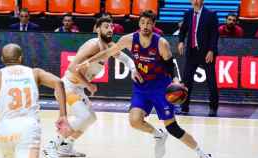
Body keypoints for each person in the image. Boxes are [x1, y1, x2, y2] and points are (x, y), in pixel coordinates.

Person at [83, 10, 212, 158]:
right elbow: (109, 52)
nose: (145, 26)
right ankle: (158, 135)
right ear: (139, 23)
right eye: (143, 23)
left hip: (161, 87)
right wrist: (89, 60)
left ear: (153, 25)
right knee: (134, 121)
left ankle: (201, 153)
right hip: (141, 87)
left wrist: (176, 80)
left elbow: (171, 65)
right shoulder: (128, 39)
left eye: (149, 23)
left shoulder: (161, 43)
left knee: (173, 128)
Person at [43, 16, 136, 157]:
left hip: (78, 89)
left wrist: (133, 70)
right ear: (97, 29)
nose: (110, 29)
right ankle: (53, 144)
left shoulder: (110, 47)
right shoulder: (93, 45)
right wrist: (89, 85)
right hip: (67, 87)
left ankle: (66, 147)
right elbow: (72, 67)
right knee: (84, 116)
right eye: (106, 26)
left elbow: (126, 59)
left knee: (91, 118)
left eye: (111, 26)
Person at [0, 43, 70, 158]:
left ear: (2, 59)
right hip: (28, 128)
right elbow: (59, 83)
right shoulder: (35, 72)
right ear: (21, 58)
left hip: (4, 130)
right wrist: (63, 115)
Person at [178, 0, 219, 117]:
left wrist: (211, 50)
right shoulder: (188, 14)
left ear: (202, 1)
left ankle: (213, 107)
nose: (195, 1)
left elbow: (214, 35)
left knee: (211, 81)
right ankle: (184, 107)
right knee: (186, 81)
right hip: (192, 52)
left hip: (206, 53)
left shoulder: (211, 14)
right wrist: (181, 41)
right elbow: (183, 30)